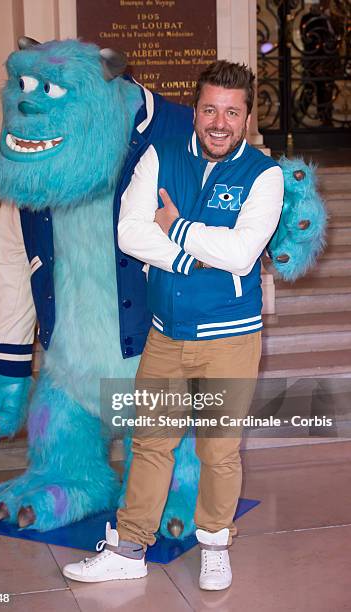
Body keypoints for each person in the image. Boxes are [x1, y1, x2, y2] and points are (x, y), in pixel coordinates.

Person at [63, 60, 284, 590]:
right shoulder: (159, 158)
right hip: (166, 333)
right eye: (209, 109)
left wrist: (177, 226)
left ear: (248, 118)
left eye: (232, 112)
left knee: (219, 446)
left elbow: (240, 252)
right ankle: (130, 548)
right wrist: (189, 256)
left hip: (230, 339)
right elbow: (129, 233)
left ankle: (214, 544)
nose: (219, 122)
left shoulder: (264, 175)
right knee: (151, 442)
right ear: (195, 112)